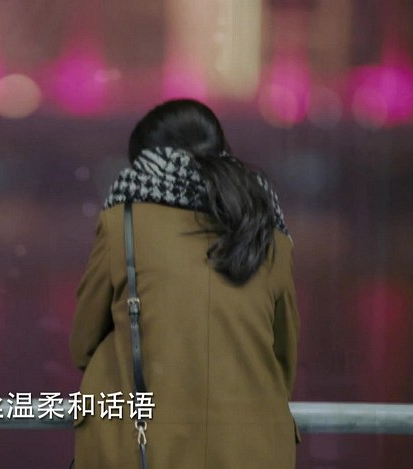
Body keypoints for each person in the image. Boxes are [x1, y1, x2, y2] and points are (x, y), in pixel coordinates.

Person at [70, 99, 300, 468]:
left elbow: (83, 343)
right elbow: (283, 355)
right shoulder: (268, 230)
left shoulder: (124, 222)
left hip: (144, 450)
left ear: (145, 161)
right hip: (252, 449)